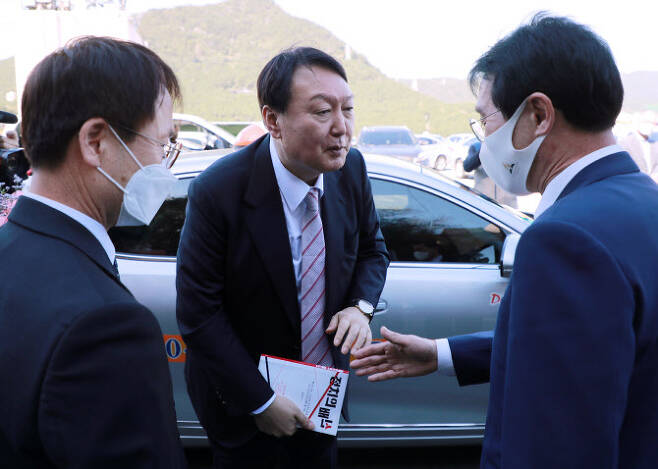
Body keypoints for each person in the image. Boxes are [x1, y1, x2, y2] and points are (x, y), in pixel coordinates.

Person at [352, 14, 658, 469]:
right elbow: (587, 346)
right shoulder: (644, 200)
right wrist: (442, 354)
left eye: (485, 119)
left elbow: (554, 446)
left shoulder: (562, 238)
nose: (483, 141)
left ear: (538, 115)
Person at [176, 47, 389, 469]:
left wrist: (359, 308)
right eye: (323, 112)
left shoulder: (351, 170)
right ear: (273, 120)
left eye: (348, 109)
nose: (342, 128)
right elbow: (199, 313)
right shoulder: (218, 191)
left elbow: (373, 249)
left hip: (321, 397)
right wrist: (261, 401)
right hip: (245, 407)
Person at [0, 37, 187, 468]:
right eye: (162, 145)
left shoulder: (11, 248)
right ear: (95, 142)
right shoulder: (107, 324)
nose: (165, 166)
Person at [463, 140, 518, 207]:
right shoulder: (477, 146)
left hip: (507, 203)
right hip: (482, 201)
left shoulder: (513, 147)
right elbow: (467, 167)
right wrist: (484, 149)